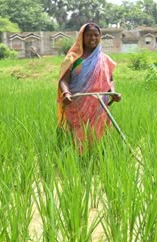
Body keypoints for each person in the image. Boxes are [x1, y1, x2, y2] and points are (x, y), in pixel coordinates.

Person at [57, 23, 122, 153]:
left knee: (98, 138)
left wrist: (113, 93)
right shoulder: (73, 59)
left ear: (100, 37)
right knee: (76, 138)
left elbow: (109, 80)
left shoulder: (104, 59)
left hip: (99, 106)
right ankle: (76, 163)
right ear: (82, 37)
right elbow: (63, 80)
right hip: (77, 104)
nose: (93, 38)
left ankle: (96, 162)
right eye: (89, 35)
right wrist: (66, 93)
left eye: (96, 35)